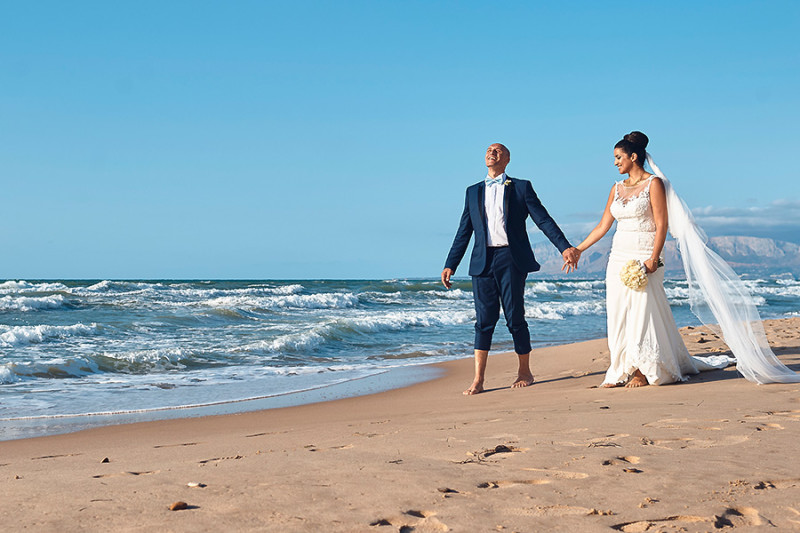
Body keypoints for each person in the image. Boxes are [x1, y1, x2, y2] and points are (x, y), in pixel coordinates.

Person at [571, 131, 800, 387]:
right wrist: (578, 249)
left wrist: (653, 259)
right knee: (618, 311)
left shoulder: (654, 184)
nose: (615, 162)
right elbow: (603, 226)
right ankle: (621, 367)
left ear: (633, 157)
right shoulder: (616, 188)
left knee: (643, 310)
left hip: (645, 252)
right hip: (618, 255)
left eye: (618, 157)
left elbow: (661, 224)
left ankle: (642, 369)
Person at [442, 143, 580, 395]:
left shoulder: (521, 187)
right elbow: (464, 230)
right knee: (484, 321)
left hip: (510, 258)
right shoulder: (472, 192)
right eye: (488, 149)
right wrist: (451, 263)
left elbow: (543, 220)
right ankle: (478, 379)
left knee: (515, 317)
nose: (491, 152)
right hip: (482, 260)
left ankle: (525, 371)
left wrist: (564, 247)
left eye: (498, 150)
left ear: (507, 159)